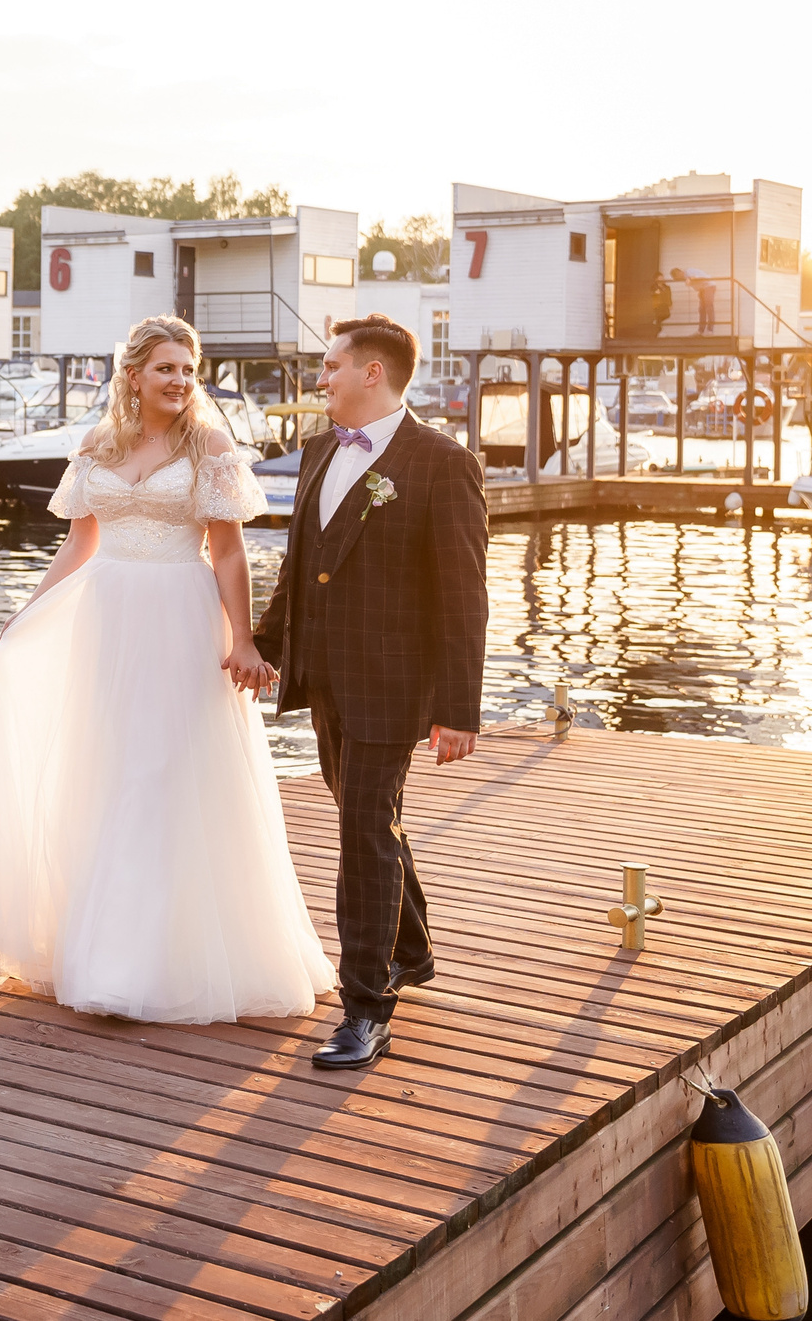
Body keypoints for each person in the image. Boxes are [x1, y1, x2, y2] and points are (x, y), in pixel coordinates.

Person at [0, 315, 331, 1023]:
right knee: (108, 773)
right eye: (167, 369)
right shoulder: (98, 443)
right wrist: (26, 612)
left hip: (180, 612)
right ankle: (105, 954)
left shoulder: (208, 443)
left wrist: (243, 638)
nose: (180, 381)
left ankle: (171, 961)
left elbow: (230, 551)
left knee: (167, 774)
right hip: (108, 618)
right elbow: (81, 542)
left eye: (189, 369)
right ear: (134, 375)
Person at [252, 315, 488, 1071]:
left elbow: (463, 594)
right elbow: (301, 563)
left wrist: (458, 708)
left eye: (330, 366)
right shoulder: (322, 449)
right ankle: (411, 950)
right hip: (323, 675)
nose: (319, 379)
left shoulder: (440, 462)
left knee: (362, 832)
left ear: (372, 373)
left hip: (393, 684)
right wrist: (264, 644)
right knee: (371, 819)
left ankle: (364, 1007)